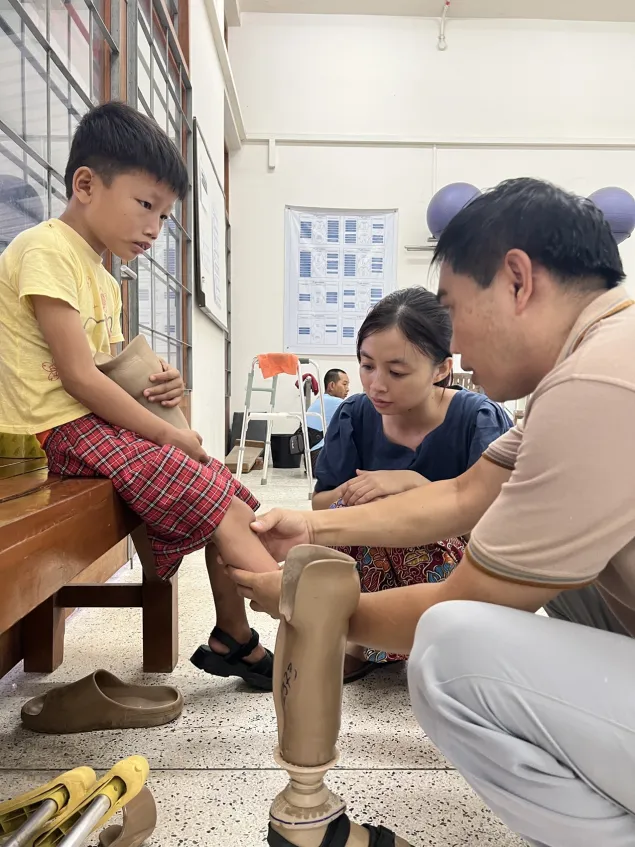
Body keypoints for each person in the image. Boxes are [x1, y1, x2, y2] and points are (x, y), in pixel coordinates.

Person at [228, 178, 635, 846]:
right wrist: (311, 525)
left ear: (515, 280)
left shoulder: (594, 381)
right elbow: (461, 495)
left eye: (451, 308)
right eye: (366, 367)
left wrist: (310, 603)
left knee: (452, 646)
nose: (454, 340)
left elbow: (470, 596)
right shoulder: (594, 358)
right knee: (565, 578)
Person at [0, 102, 280, 690]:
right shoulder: (45, 249)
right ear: (85, 185)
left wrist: (166, 385)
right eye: (145, 205)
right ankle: (312, 627)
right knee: (208, 487)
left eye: (165, 214)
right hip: (52, 434)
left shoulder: (101, 275)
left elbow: (109, 370)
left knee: (229, 496)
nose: (155, 227)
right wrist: (169, 432)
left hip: (87, 427)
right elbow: (78, 378)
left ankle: (236, 637)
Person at [313, 288, 511, 679]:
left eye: (397, 371)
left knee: (401, 518)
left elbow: (495, 529)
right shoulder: (354, 414)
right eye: (367, 366)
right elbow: (322, 506)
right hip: (376, 562)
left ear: (441, 369)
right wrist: (368, 493)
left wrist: (412, 484)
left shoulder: (478, 419)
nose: (377, 385)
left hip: (455, 575)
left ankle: (409, 637)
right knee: (352, 511)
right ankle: (362, 637)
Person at [304, 368, 349, 472]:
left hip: (310, 461)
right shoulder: (336, 402)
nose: (347, 389)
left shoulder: (321, 400)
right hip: (319, 460)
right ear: (332, 385)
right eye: (344, 384)